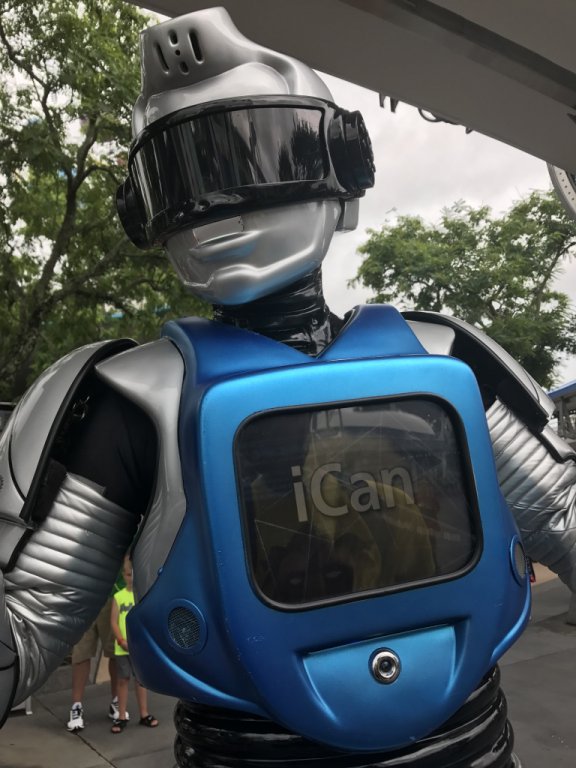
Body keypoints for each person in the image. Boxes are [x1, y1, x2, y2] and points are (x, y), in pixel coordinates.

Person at [1, 7, 576, 768]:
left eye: (256, 154)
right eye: (185, 173)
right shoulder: (133, 395)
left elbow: (561, 513)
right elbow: (29, 617)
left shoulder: (443, 354)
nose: (219, 202)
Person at [67, 573, 129, 732]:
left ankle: (116, 701)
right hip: (84, 596)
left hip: (112, 594)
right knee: (81, 652)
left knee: (115, 652)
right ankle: (76, 706)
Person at [109, 557, 157, 734]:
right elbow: (113, 622)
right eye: (128, 575)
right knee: (123, 680)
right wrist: (121, 640)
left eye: (133, 575)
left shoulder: (141, 596)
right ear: (124, 575)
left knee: (140, 680)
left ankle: (144, 713)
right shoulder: (118, 597)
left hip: (138, 647)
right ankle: (121, 715)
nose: (131, 578)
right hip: (122, 646)